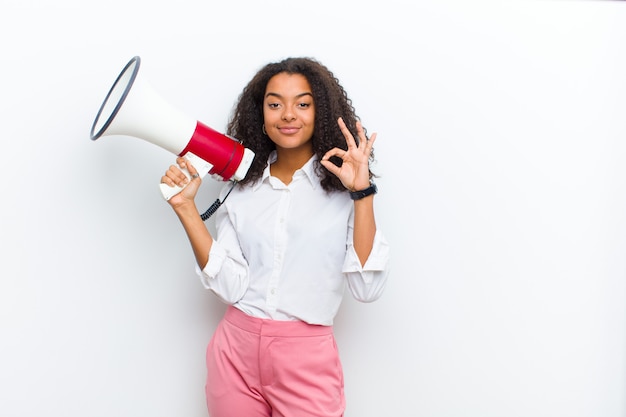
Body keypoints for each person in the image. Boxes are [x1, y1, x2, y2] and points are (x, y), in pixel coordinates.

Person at [160, 57, 390, 417]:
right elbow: (230, 286)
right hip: (234, 351)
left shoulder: (345, 188)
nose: (287, 114)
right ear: (260, 114)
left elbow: (367, 289)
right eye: (274, 104)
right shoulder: (242, 189)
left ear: (321, 112)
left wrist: (363, 193)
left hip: (306, 358)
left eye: (302, 103)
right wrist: (186, 208)